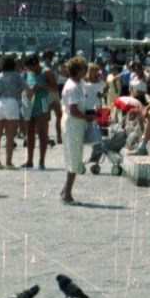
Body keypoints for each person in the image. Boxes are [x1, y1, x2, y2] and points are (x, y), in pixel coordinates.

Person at [60, 59, 89, 203]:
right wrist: (87, 117)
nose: (86, 71)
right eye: (84, 69)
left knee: (73, 156)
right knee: (74, 157)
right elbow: (73, 110)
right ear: (77, 70)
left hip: (74, 123)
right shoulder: (73, 87)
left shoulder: (77, 85)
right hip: (73, 123)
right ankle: (68, 194)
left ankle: (65, 189)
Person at [0, 56, 23, 170]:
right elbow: (25, 88)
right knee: (10, 136)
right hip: (12, 102)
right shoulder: (16, 76)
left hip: (0, 103)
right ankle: (8, 162)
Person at [23, 55, 52, 170]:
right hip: (31, 104)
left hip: (42, 102)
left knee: (42, 133)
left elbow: (54, 88)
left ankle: (41, 160)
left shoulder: (46, 72)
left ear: (36, 64)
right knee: (29, 133)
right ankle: (29, 160)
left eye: (31, 67)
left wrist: (41, 85)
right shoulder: (29, 73)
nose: (30, 70)